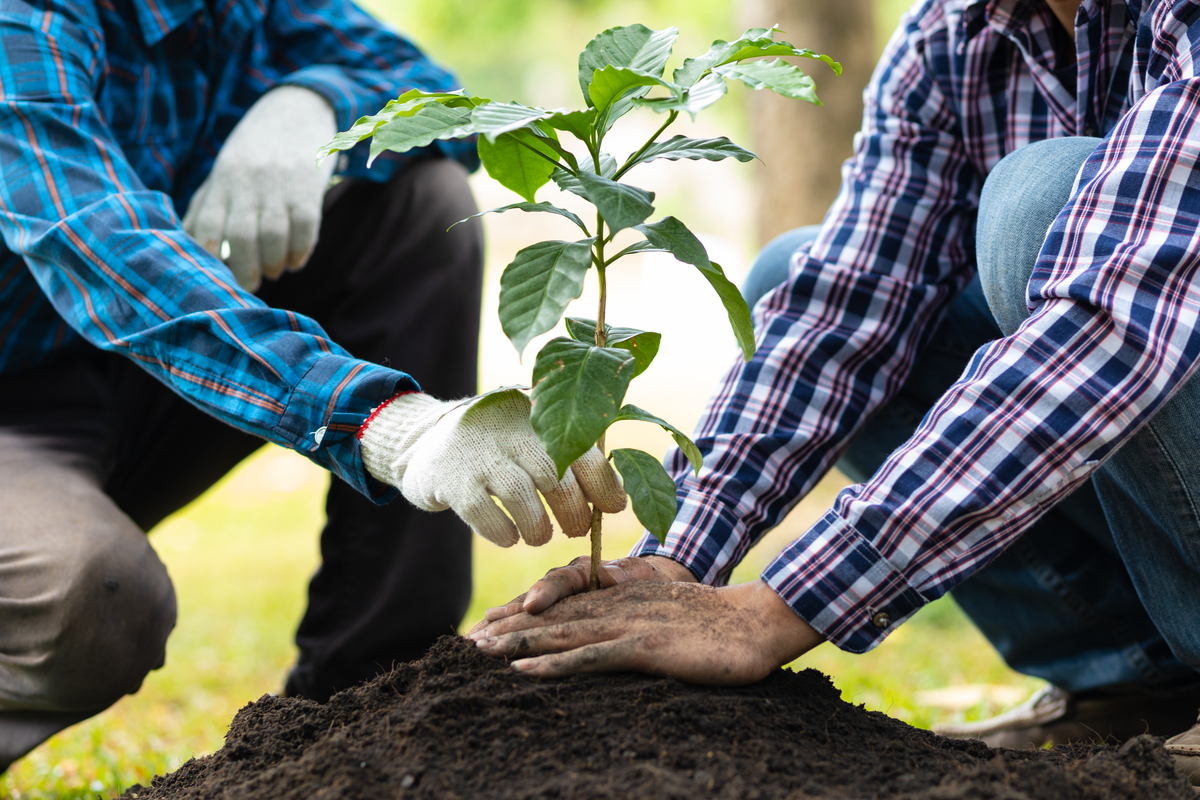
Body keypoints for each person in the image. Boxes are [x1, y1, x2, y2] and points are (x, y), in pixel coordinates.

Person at [468, 0, 1200, 778]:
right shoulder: (956, 33)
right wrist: (672, 563)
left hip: (1126, 332)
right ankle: (1132, 682)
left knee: (1042, 203)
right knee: (797, 270)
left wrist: (775, 610)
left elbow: (1110, 327)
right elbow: (844, 317)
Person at [0, 0, 624, 773]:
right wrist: (389, 423)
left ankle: (359, 714)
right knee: (88, 595)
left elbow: (435, 96)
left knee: (415, 201)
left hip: (123, 380)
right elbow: (102, 250)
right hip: (21, 400)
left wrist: (314, 103)